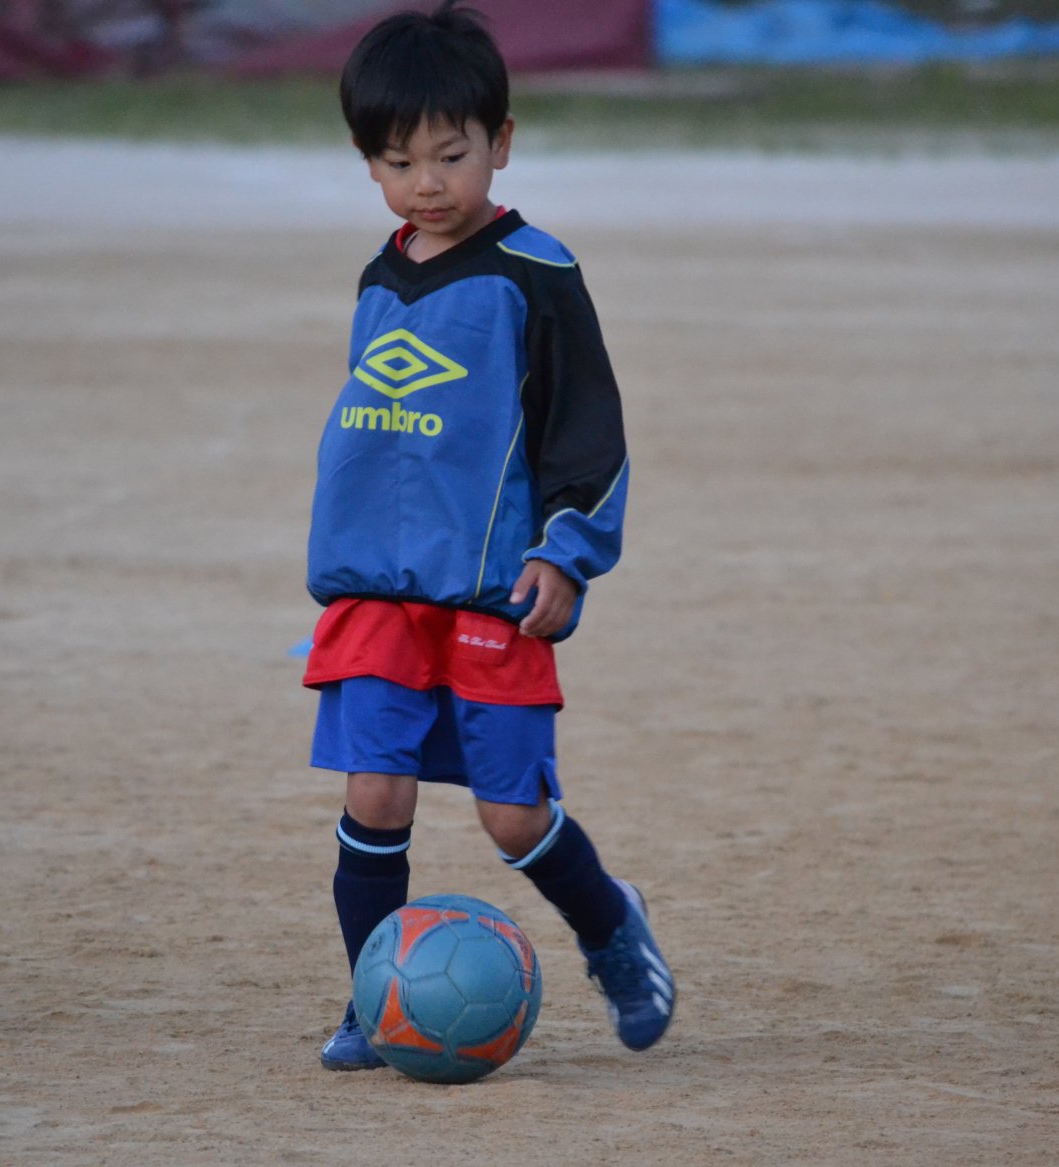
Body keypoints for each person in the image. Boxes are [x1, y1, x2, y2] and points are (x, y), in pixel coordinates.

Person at [302, 0, 675, 1071]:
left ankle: (610, 929)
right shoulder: (381, 276)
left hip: (489, 596)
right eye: (397, 160)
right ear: (368, 166)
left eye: (451, 155)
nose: (427, 183)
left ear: (499, 144)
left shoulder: (535, 275)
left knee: (512, 818)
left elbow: (587, 434)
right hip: (376, 594)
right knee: (373, 794)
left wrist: (563, 552)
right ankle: (375, 997)